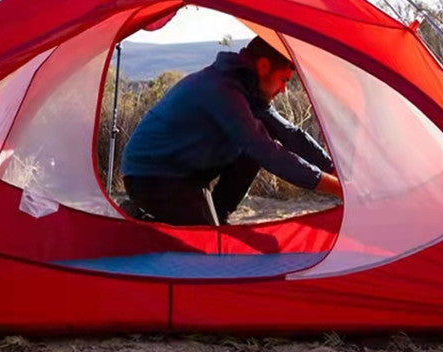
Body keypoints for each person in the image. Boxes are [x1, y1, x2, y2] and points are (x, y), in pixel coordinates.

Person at [121, 36, 341, 225]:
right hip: (151, 177)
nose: (284, 89)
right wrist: (339, 189)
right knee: (205, 246)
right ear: (264, 66)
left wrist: (334, 171)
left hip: (187, 175)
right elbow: (268, 153)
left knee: (259, 142)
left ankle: (217, 215)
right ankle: (139, 218)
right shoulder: (222, 89)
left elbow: (289, 134)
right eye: (283, 80)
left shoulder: (250, 89)